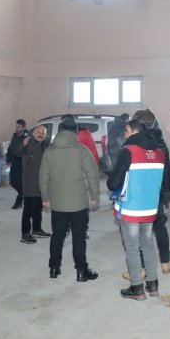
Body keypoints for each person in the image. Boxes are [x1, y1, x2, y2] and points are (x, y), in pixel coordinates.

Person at [107, 120, 165, 300]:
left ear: (134, 131)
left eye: (126, 131)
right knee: (147, 244)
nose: (124, 135)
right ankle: (153, 285)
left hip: (131, 208)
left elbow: (113, 183)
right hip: (150, 207)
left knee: (132, 248)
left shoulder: (128, 151)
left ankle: (137, 287)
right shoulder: (159, 153)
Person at [40, 117, 100, 282]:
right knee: (78, 237)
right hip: (78, 202)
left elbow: (43, 177)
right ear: (75, 132)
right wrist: (94, 195)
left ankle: (54, 268)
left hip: (58, 202)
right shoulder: (81, 150)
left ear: (60, 130)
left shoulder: (49, 151)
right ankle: (81, 271)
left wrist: (45, 197)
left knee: (57, 235)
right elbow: (92, 174)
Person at [131, 109, 170, 275]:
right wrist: (167, 191)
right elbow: (167, 168)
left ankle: (141, 268)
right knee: (160, 226)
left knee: (139, 230)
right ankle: (166, 263)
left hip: (140, 192)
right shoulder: (160, 141)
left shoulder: (135, 143)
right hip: (157, 191)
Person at [14, 124, 51, 244]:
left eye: (43, 133)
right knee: (28, 209)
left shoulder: (47, 146)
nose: (41, 135)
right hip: (30, 182)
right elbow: (17, 152)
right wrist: (23, 144)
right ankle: (25, 234)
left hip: (42, 182)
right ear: (33, 133)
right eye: (38, 132)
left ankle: (37, 229)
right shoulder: (28, 143)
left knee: (38, 208)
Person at [7, 119, 27, 209]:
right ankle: (24, 194)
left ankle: (19, 201)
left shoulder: (26, 136)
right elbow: (10, 148)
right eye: (16, 126)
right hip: (14, 162)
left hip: (22, 162)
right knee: (12, 182)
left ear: (24, 127)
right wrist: (8, 159)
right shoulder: (15, 135)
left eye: (19, 127)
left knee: (19, 182)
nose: (17, 128)